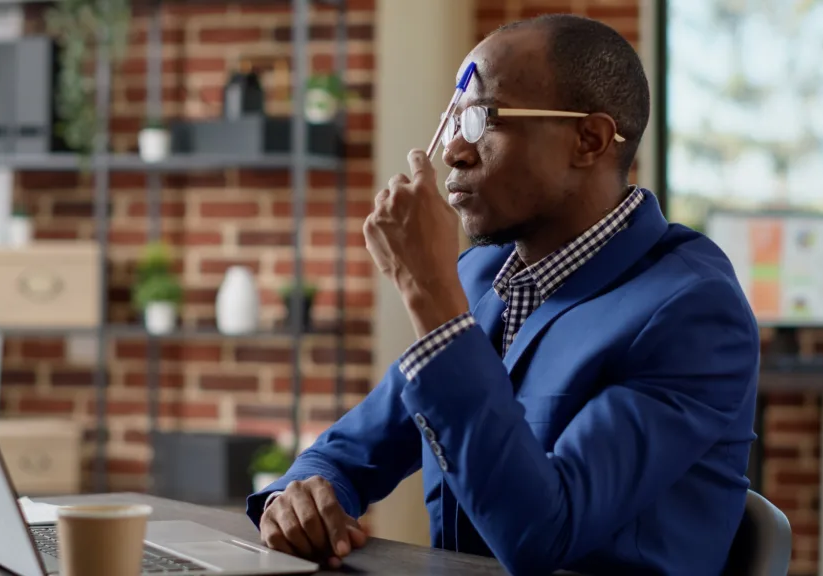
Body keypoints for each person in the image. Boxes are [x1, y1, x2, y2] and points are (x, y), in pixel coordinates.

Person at [245, 13, 759, 576]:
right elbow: (348, 451)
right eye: (454, 120)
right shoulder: (481, 275)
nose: (454, 152)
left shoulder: (692, 311)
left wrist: (432, 302)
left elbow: (542, 534)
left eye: (482, 118)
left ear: (588, 140)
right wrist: (298, 497)